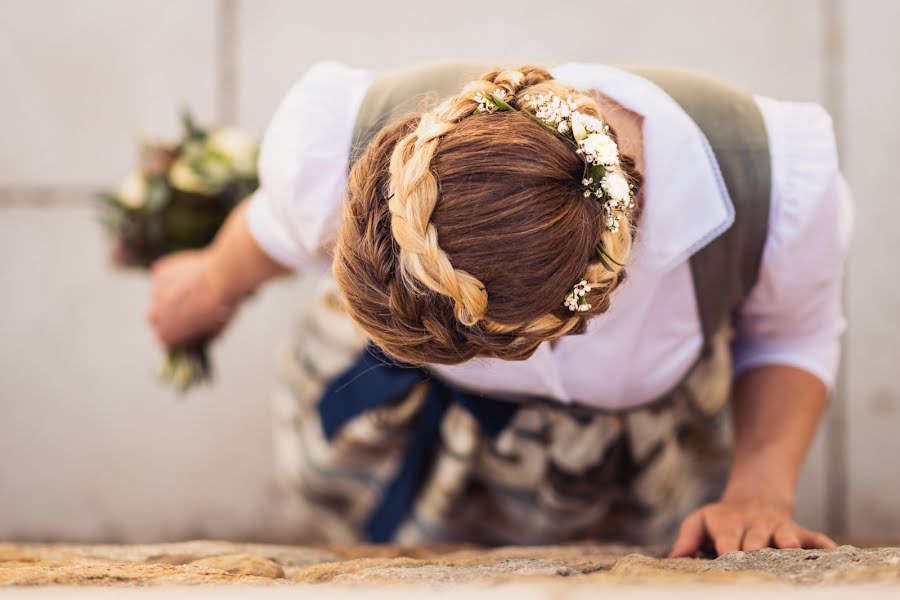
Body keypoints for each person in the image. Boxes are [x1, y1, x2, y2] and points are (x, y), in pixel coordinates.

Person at [147, 61, 852, 556]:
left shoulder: (777, 180)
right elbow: (274, 228)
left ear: (564, 321)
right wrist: (211, 283)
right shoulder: (338, 143)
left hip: (630, 468)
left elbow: (790, 333)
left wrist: (760, 493)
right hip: (423, 434)